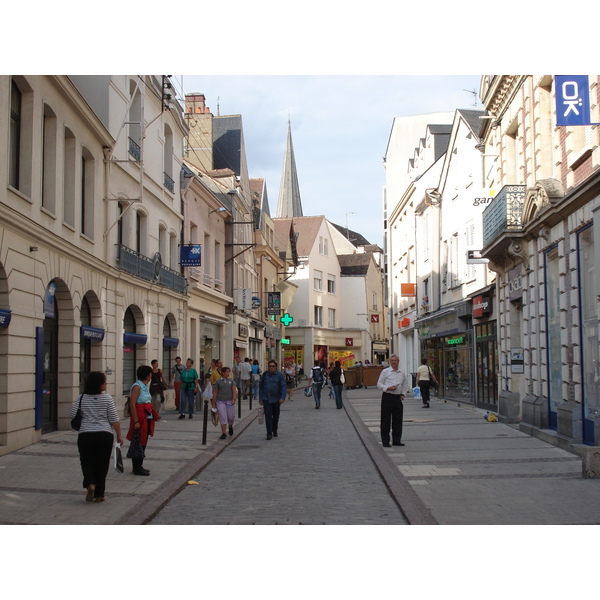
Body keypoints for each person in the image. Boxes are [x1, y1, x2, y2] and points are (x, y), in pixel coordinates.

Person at [70, 371, 123, 502]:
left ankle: (90, 483)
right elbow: (114, 419)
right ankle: (99, 494)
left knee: (86, 461)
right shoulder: (107, 398)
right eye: (104, 382)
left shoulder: (82, 397)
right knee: (102, 463)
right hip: (104, 435)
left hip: (85, 434)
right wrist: (119, 435)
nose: (106, 384)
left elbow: (72, 414)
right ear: (99, 385)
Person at [126, 365, 160, 476]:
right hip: (140, 416)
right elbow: (132, 404)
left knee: (143, 441)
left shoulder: (145, 386)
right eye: (150, 374)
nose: (151, 376)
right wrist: (136, 420)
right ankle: (136, 467)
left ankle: (139, 465)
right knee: (138, 441)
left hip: (146, 415)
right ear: (147, 375)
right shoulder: (137, 387)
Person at [376, 354, 408, 447]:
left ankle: (396, 440)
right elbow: (379, 384)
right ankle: (385, 441)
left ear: (398, 361)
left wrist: (403, 394)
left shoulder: (402, 373)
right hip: (387, 397)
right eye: (392, 361)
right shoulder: (385, 372)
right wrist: (387, 388)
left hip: (397, 398)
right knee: (386, 420)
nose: (393, 362)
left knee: (397, 420)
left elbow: (405, 384)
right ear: (390, 362)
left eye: (395, 360)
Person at [259, 360, 287, 440]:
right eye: (270, 366)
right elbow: (261, 387)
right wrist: (260, 398)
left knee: (275, 416)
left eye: (273, 366)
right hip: (266, 398)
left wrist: (282, 397)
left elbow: (283, 386)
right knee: (268, 415)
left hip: (276, 399)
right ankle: (269, 433)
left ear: (276, 367)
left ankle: (274, 429)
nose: (271, 368)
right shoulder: (265, 375)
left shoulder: (279, 375)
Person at [212, 366, 237, 440]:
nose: (228, 373)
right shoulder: (219, 381)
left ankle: (230, 426)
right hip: (221, 401)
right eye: (226, 372)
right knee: (222, 417)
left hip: (229, 401)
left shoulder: (231, 381)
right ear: (223, 373)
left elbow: (234, 390)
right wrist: (214, 403)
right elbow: (215, 392)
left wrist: (234, 399)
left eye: (228, 372)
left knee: (230, 416)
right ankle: (223, 433)